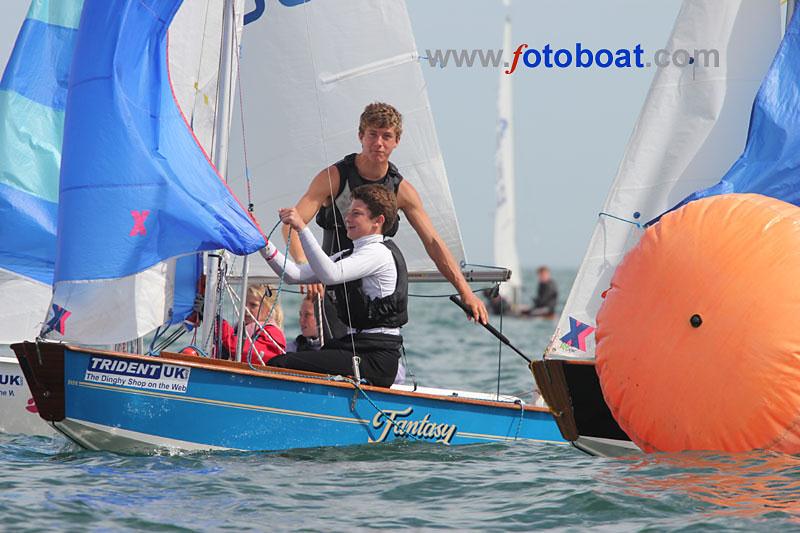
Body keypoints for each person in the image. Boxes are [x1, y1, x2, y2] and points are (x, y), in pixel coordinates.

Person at [281, 102, 488, 326]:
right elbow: (291, 224)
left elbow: (433, 243)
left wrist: (465, 291)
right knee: (339, 356)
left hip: (377, 292)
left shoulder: (402, 191)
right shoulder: (333, 177)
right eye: (372, 134)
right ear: (361, 136)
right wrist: (304, 266)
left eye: (387, 136)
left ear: (397, 141)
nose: (378, 143)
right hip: (334, 287)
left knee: (377, 352)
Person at [262, 184, 406, 387]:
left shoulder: (378, 253)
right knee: (291, 360)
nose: (348, 218)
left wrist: (301, 228)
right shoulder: (352, 254)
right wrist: (262, 242)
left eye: (356, 213)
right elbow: (293, 275)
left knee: (282, 363)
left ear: (378, 221)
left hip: (376, 358)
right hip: (358, 348)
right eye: (348, 213)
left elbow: (330, 274)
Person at [220, 284, 286, 363]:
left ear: (269, 310)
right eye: (244, 304)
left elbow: (244, 350)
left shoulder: (273, 334)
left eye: (253, 305)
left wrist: (220, 324)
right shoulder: (238, 329)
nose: (246, 309)